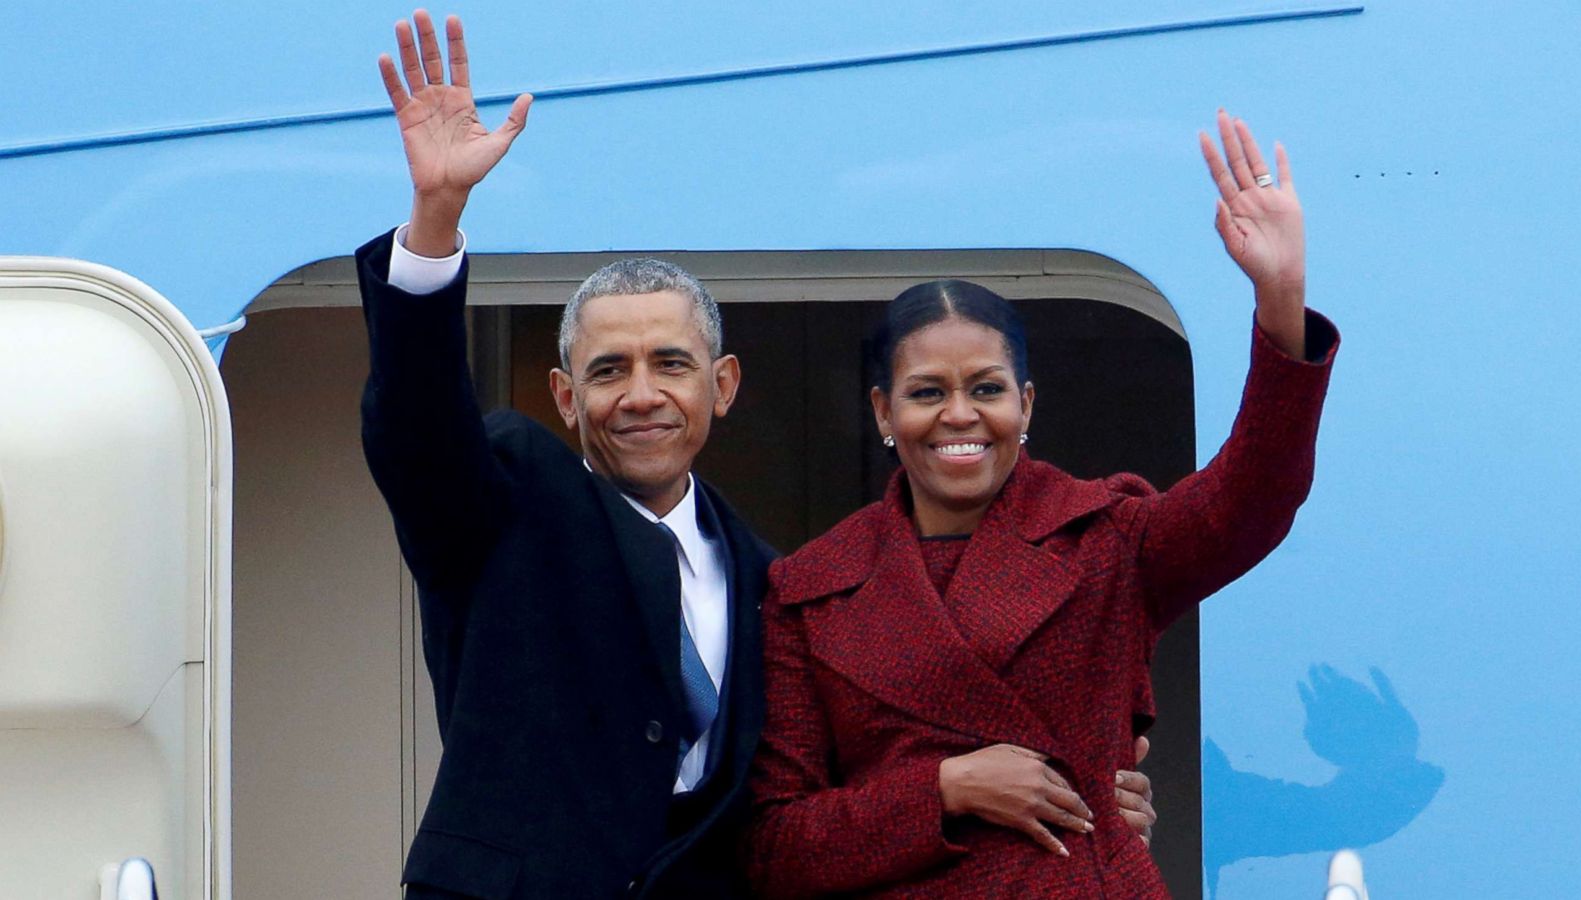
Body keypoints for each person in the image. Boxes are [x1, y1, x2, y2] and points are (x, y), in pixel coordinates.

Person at [358, 11, 1155, 898]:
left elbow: (828, 787)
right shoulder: (507, 497)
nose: (642, 394)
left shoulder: (778, 584)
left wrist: (1085, 775)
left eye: (672, 364)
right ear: (564, 398)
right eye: (609, 370)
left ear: (722, 385)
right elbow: (418, 439)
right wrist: (435, 223)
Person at [743, 111, 1339, 898]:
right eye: (928, 393)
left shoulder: (1108, 537)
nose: (960, 415)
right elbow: (777, 849)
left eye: (986, 389)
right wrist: (948, 789)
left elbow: (1253, 499)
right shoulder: (808, 591)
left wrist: (1280, 299)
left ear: (1025, 405)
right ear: (885, 414)